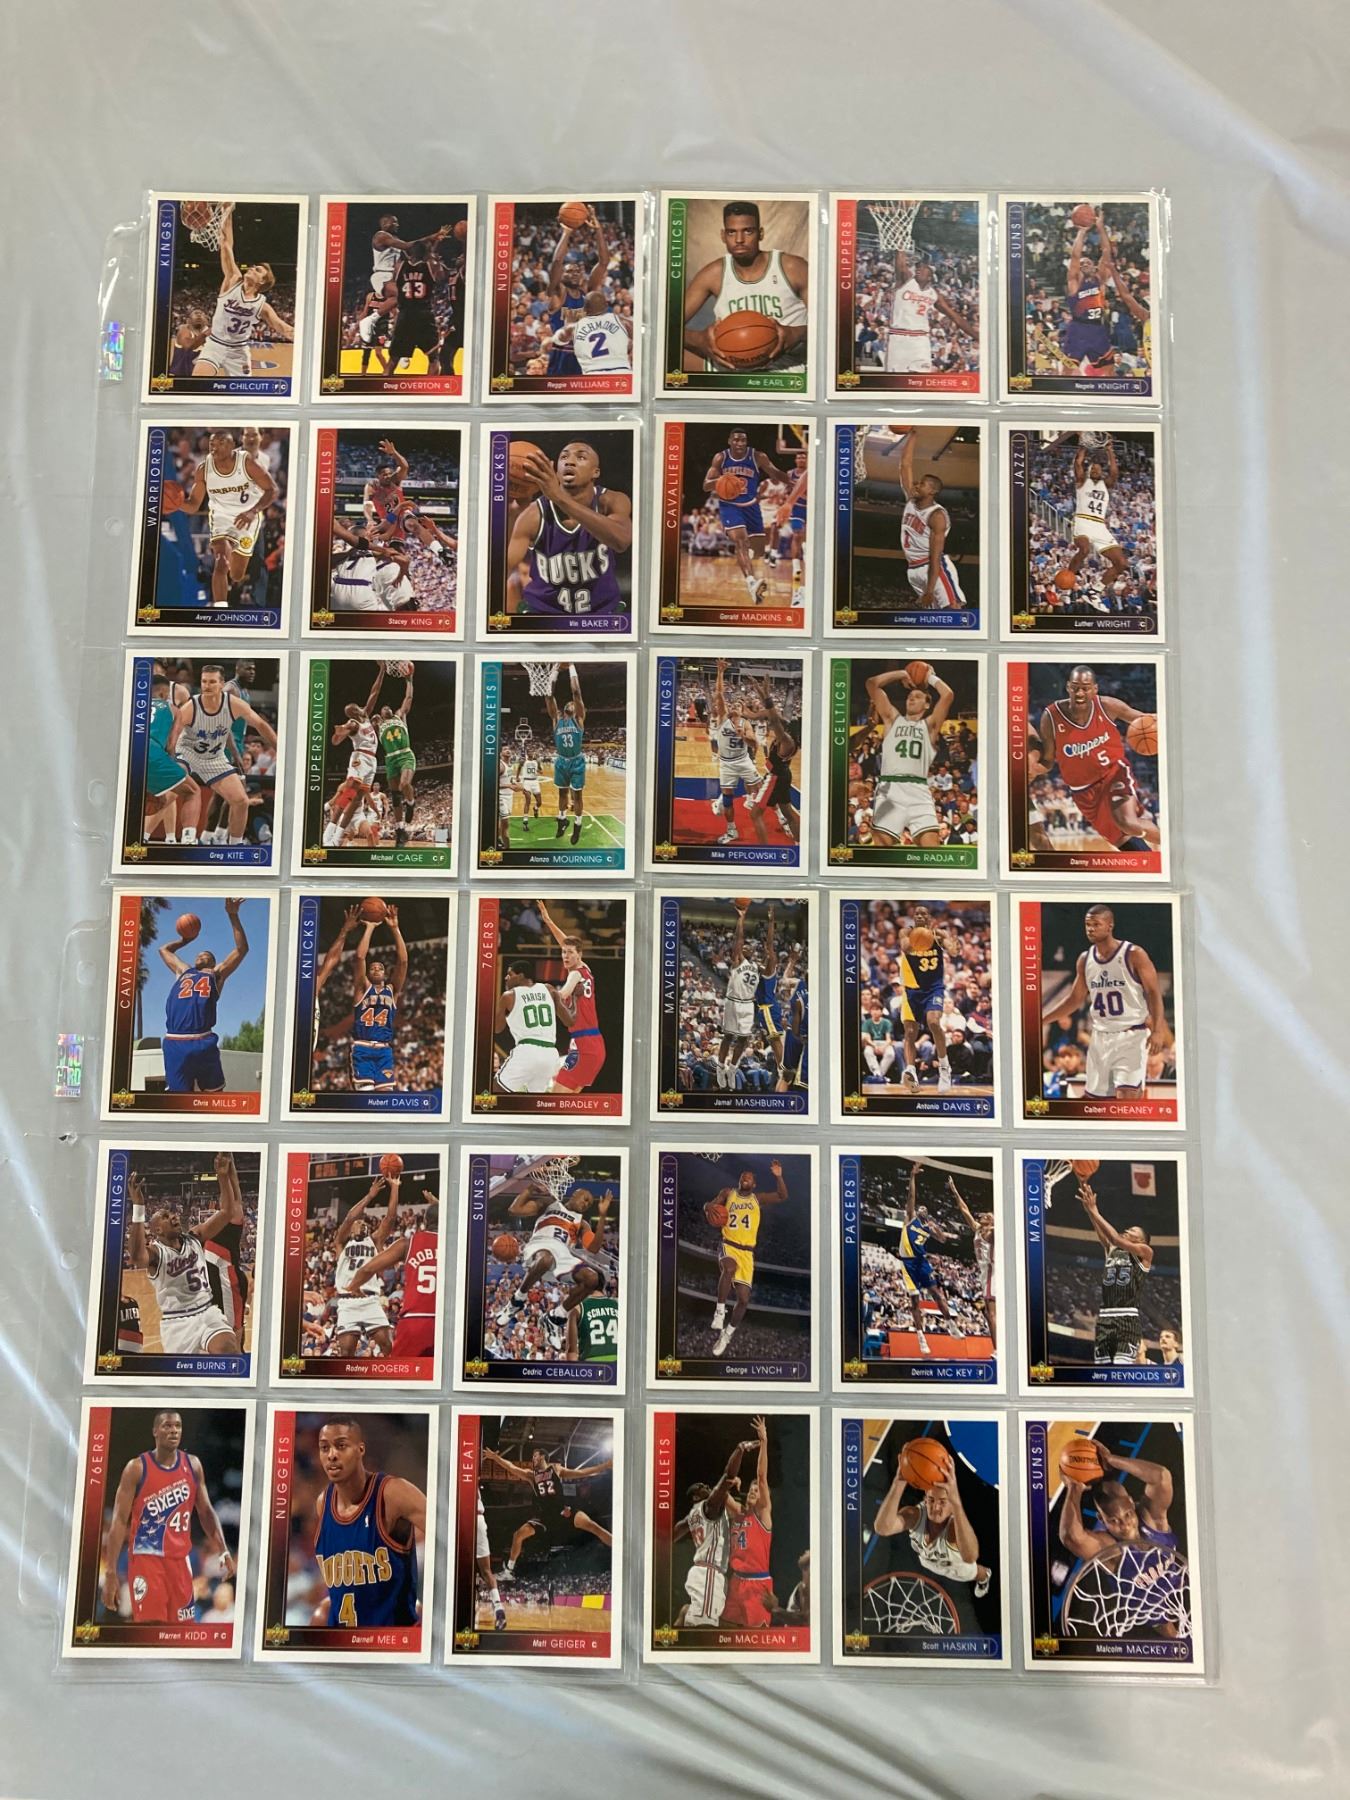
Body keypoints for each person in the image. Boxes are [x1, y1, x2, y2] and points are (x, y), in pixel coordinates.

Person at [100, 1410, 234, 1623]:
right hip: (147, 1559)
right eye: (167, 1426)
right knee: (151, 1627)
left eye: (177, 1426)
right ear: (155, 1431)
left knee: (182, 1630)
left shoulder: (193, 1465)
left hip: (179, 1561)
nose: (173, 1431)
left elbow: (206, 1511)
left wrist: (223, 1549)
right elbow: (119, 1521)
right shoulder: (136, 1468)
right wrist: (111, 1572)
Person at [1058, 1440, 1187, 1637]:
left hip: (1180, 1585)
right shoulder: (1111, 1549)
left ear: (1132, 1503)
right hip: (1151, 1607)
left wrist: (1112, 1460)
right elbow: (1071, 1537)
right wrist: (1074, 1488)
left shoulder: (1153, 1519)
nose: (1125, 1524)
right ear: (1101, 1519)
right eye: (1114, 1520)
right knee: (1172, 1633)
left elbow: (1161, 1477)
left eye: (1127, 1514)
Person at [1042, 905, 1169, 1100]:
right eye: (1087, 924)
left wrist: (1158, 1030)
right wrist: (1042, 1019)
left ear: (1110, 926)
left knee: (1127, 1097)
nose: (1090, 929)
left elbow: (1153, 992)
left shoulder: (1134, 954)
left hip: (1131, 1035)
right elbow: (1074, 999)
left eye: (1096, 924)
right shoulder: (1085, 959)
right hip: (1100, 1037)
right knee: (1097, 1102)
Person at [125, 1150, 244, 1356]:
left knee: (227, 1349)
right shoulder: (157, 1253)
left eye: (172, 1213)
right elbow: (136, 1257)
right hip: (177, 1323)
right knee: (185, 1372)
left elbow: (227, 1212)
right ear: (157, 1230)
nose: (173, 1216)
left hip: (207, 1313)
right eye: (165, 1216)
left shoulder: (195, 1237)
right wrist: (138, 1208)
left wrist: (222, 1177)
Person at [1030, 666, 1157, 855]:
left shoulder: (1108, 705)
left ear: (1095, 688)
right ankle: (1152, 861)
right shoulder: (1051, 717)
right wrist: (1032, 769)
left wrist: (1160, 724)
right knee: (1125, 843)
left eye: (1085, 688)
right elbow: (1048, 760)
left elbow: (1145, 720)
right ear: (1068, 687)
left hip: (1113, 774)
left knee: (1127, 822)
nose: (1080, 693)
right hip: (1083, 792)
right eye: (1075, 687)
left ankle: (1174, 845)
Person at [311, 1418, 425, 1628]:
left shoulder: (392, 1493)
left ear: (360, 1449)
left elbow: (452, 1535)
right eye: (324, 1448)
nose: (332, 1455)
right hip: (344, 1638)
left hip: (392, 1638)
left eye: (341, 1445)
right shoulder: (323, 1504)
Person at [505, 442, 633, 620]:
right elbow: (500, 570)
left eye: (581, 457)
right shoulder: (533, 515)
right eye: (564, 457)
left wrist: (559, 497)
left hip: (602, 612)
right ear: (556, 471)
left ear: (595, 472)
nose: (569, 461)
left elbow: (621, 541)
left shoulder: (611, 501)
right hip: (543, 614)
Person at [681, 201, 809, 374]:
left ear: (761, 233)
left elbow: (831, 326)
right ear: (723, 236)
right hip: (731, 364)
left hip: (788, 365)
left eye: (748, 231)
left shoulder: (793, 267)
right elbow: (667, 325)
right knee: (669, 357)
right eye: (731, 232)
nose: (739, 240)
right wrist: (699, 339)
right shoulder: (713, 274)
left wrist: (798, 333)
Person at [164, 663, 277, 845]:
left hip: (213, 757)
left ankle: (234, 846)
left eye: (212, 682)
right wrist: (167, 760)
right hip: (186, 752)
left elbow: (261, 725)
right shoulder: (191, 706)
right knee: (171, 790)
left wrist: (279, 748)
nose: (207, 686)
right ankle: (180, 838)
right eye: (204, 682)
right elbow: (173, 734)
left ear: (221, 683)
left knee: (241, 801)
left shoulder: (233, 704)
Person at [495, 1181, 614, 1349]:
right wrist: (530, 1189)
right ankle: (517, 1300)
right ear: (575, 1194)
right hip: (539, 1246)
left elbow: (593, 1248)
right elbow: (514, 1210)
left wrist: (602, 1215)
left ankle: (555, 1318)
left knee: (592, 1278)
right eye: (585, 1198)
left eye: (589, 1204)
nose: (586, 1204)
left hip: (563, 1254)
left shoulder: (582, 1223)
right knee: (546, 1259)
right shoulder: (550, 1204)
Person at [190, 203, 294, 379]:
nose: (252, 268)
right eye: (254, 267)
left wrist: (309, 340)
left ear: (262, 281)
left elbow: (283, 328)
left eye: (258, 270)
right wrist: (227, 211)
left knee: (243, 392)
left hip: (238, 352)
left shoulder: (262, 306)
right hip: (215, 345)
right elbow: (226, 244)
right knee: (196, 382)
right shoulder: (233, 280)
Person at [873, 1440, 991, 1596]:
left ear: (952, 1504)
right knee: (928, 1562)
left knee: (976, 1573)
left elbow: (970, 1556)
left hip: (957, 1566)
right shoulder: (915, 1515)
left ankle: (985, 1577)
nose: (935, 1507)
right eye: (931, 1500)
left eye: (942, 1502)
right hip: (928, 1561)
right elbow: (882, 1528)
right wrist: (899, 1482)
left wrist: (956, 1502)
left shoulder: (953, 1528)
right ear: (925, 1499)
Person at [179, 430, 278, 611]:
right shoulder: (203, 469)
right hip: (221, 517)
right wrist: (176, 503)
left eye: (221, 443)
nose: (214, 447)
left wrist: (253, 511)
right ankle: (220, 609)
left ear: (232, 446)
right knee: (221, 561)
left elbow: (272, 490)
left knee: (237, 574)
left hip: (246, 518)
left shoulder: (246, 463)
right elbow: (193, 506)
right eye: (212, 444)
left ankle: (235, 581)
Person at [157, 899, 249, 1094]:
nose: (200, 955)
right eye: (198, 954)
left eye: (206, 955)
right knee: (178, 1102)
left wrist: (233, 915)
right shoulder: (184, 971)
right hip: (175, 1041)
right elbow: (163, 950)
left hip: (203, 1040)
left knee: (214, 1097)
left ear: (213, 962)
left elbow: (242, 950)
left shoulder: (217, 974)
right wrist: (185, 940)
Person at [486, 1445, 613, 1580]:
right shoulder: (531, 1475)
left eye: (535, 1456)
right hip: (545, 1516)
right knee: (518, 1535)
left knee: (592, 1526)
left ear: (542, 1456)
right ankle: (508, 1571)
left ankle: (619, 1547)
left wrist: (605, 1465)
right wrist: (496, 1458)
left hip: (563, 1511)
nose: (532, 1459)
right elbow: (511, 1467)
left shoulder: (556, 1469)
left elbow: (582, 1472)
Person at [864, 665, 955, 851]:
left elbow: (947, 695)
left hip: (918, 791)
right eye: (909, 696)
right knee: (881, 854)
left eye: (918, 696)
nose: (911, 698)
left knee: (932, 853)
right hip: (890, 789)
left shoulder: (930, 726)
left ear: (927, 704)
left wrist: (929, 677)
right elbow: (872, 684)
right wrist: (902, 674)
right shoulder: (892, 719)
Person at [344, 1190, 441, 1362]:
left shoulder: (408, 1243)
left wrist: (352, 1287)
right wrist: (438, 1205)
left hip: (414, 1321)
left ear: (425, 1222)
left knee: (401, 1374)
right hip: (446, 1322)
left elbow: (367, 1269)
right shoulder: (456, 1244)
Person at [707, 1160, 789, 1358]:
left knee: (743, 1300)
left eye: (750, 1178)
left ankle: (726, 1335)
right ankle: (719, 1312)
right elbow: (711, 1206)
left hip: (747, 1253)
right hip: (729, 1244)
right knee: (729, 1268)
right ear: (739, 1180)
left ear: (754, 1184)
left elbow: (782, 1196)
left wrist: (779, 1176)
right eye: (743, 1176)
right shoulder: (728, 1193)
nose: (746, 1178)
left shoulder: (757, 1199)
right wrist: (708, 1207)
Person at [673, 1437, 754, 1627]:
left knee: (694, 1617)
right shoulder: (709, 1506)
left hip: (702, 1572)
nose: (708, 1487)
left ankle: (678, 1624)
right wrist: (740, 1449)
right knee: (704, 1628)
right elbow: (727, 1475)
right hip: (709, 1573)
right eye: (702, 1487)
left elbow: (670, 1535)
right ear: (695, 1497)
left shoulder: (690, 1518)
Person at [703, 429, 789, 605]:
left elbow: (775, 472)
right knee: (741, 541)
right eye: (736, 440)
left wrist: (794, 482)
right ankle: (751, 583)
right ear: (729, 441)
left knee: (757, 549)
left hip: (751, 506)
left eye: (743, 440)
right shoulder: (721, 458)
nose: (740, 443)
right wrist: (722, 481)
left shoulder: (757, 456)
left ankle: (749, 562)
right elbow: (705, 485)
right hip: (730, 506)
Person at [1077, 1178, 1153, 1366]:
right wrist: (1090, 1211)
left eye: (1133, 1231)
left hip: (1126, 1317)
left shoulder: (1145, 1252)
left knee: (1121, 1367)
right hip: (1104, 1317)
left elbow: (1115, 1238)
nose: (1127, 1230)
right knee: (1103, 1370)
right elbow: (1106, 1236)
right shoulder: (1112, 1249)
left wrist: (1095, 1211)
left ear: (1141, 1240)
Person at [538, 899, 608, 1095]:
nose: (565, 956)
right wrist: (549, 921)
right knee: (569, 1103)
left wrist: (544, 995)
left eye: (570, 953)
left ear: (579, 955)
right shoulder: (586, 968)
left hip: (584, 1046)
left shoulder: (575, 974)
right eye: (563, 953)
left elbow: (563, 994)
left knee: (555, 1101)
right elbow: (566, 943)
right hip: (593, 1045)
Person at [898, 430, 967, 611]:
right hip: (913, 569)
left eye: (921, 484)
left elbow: (936, 556)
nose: (916, 485)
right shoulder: (911, 500)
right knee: (935, 618)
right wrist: (913, 435)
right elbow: (905, 465)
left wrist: (930, 589)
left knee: (953, 611)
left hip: (933, 567)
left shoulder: (937, 516)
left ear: (932, 491)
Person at [330, 1173, 397, 1358]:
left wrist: (395, 1188)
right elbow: (349, 1217)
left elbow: (390, 1218)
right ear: (351, 1229)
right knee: (346, 1352)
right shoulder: (341, 1243)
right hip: (347, 1302)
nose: (362, 1224)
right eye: (359, 1222)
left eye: (365, 1223)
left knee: (388, 1347)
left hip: (370, 1300)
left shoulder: (374, 1241)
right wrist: (370, 1196)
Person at [884, 243, 976, 375]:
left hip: (921, 340)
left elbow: (956, 318)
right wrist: (900, 245)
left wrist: (977, 336)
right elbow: (901, 266)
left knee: (922, 378)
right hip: (899, 338)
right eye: (917, 267)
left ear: (930, 277)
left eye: (923, 268)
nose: (918, 269)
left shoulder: (934, 294)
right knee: (896, 380)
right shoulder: (905, 282)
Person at [722, 1416, 775, 1628]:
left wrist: (764, 1442)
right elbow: (720, 1490)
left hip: (757, 1584)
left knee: (755, 1638)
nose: (754, 1491)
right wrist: (730, 1483)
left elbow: (761, 1477)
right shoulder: (738, 1512)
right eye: (751, 1489)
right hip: (736, 1581)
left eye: (757, 1491)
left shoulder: (762, 1514)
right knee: (728, 1633)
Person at [348, 907, 408, 1092]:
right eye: (372, 967)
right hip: (363, 1048)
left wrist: (395, 929)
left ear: (385, 973)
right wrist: (370, 927)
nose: (375, 969)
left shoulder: (392, 991)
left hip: (384, 1051)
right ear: (367, 973)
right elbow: (359, 957)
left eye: (380, 968)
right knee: (365, 1098)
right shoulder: (362, 989)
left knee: (385, 1099)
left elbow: (403, 962)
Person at [494, 960, 563, 1093]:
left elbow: (497, 1029)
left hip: (528, 1050)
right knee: (534, 1099)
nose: (506, 978)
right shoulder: (548, 989)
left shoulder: (509, 995)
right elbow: (568, 1020)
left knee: (493, 1093)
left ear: (520, 976)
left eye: (510, 974)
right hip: (550, 1053)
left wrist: (501, 1011)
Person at [546, 664, 588, 845]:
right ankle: (562, 820)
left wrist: (571, 666)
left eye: (574, 703)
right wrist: (555, 670)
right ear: (564, 708)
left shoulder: (578, 719)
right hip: (561, 761)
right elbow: (548, 695)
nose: (572, 703)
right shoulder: (556, 719)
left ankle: (577, 825)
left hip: (577, 761)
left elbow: (576, 692)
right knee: (562, 794)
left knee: (577, 796)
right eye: (570, 703)